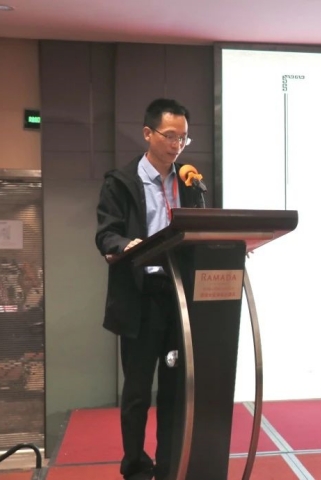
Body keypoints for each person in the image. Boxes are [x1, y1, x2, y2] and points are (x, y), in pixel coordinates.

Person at [95, 98, 201, 480]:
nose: (176, 145)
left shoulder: (189, 183)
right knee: (138, 392)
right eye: (170, 136)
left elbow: (201, 231)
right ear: (148, 133)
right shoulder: (121, 182)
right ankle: (136, 467)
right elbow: (106, 233)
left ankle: (170, 465)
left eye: (183, 138)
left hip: (178, 298)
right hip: (140, 297)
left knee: (174, 390)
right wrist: (126, 246)